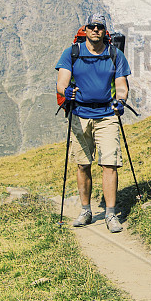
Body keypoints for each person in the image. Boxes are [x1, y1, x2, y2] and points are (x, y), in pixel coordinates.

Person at [56, 13, 130, 233]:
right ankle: (86, 210)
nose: (95, 30)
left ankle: (110, 214)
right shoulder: (72, 53)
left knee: (110, 164)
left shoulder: (115, 55)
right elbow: (61, 83)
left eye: (99, 27)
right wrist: (66, 91)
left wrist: (121, 100)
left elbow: (122, 85)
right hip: (79, 115)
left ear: (104, 31)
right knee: (83, 164)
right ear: (85, 30)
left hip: (107, 115)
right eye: (92, 26)